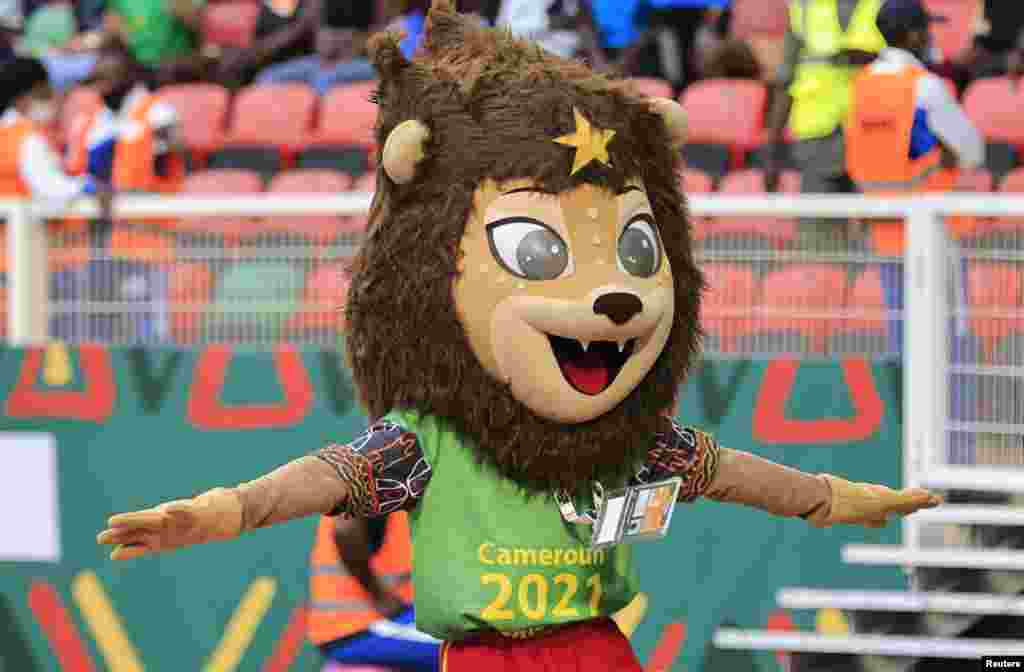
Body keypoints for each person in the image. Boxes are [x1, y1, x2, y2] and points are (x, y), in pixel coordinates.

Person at [97, 3, 942, 670]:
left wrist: (838, 498)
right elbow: (330, 479)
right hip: (483, 659)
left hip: (599, 650)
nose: (609, 301)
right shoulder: (428, 443)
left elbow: (728, 474)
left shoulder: (633, 442)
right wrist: (222, 511)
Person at [846, 0, 984, 355]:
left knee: (901, 342)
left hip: (884, 232)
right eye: (925, 28)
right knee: (947, 342)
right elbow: (972, 152)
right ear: (913, 35)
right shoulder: (925, 87)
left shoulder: (860, 86)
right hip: (932, 233)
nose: (930, 35)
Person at [764, 0, 886, 250]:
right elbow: (785, 77)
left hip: (876, 131)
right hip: (818, 135)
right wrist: (771, 150)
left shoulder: (885, 4)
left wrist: (873, 58)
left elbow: (913, 59)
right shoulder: (805, 7)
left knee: (879, 242)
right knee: (818, 245)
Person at [309, 512, 441, 671]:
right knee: (461, 648)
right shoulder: (372, 489)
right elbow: (346, 528)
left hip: (392, 619)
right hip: (359, 627)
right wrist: (380, 597)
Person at [0, 56, 108, 210]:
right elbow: (48, 186)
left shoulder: (7, 132)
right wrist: (87, 187)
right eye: (44, 95)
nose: (52, 101)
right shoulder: (27, 138)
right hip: (22, 230)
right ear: (21, 100)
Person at [255, 2, 376, 95]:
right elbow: (319, 36)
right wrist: (327, 38)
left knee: (326, 79)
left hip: (355, 61)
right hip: (318, 62)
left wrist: (350, 40)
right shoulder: (319, 7)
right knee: (266, 77)